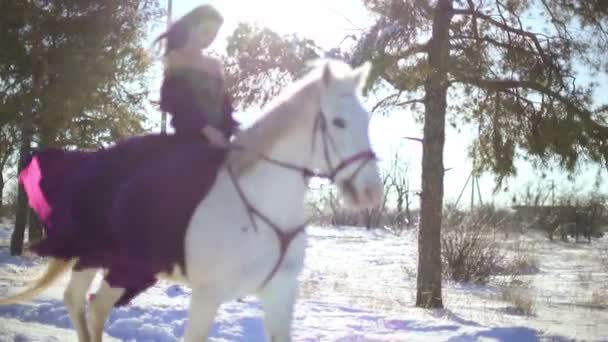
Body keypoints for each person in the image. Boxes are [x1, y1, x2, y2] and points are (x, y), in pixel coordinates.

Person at [19, 4, 238, 306]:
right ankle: (134, 265)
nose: (209, 38)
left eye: (214, 34)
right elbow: (174, 102)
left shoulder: (215, 65)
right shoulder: (175, 59)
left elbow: (225, 109)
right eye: (205, 31)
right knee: (156, 188)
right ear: (192, 27)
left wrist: (227, 132)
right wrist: (203, 129)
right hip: (187, 140)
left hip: (218, 143)